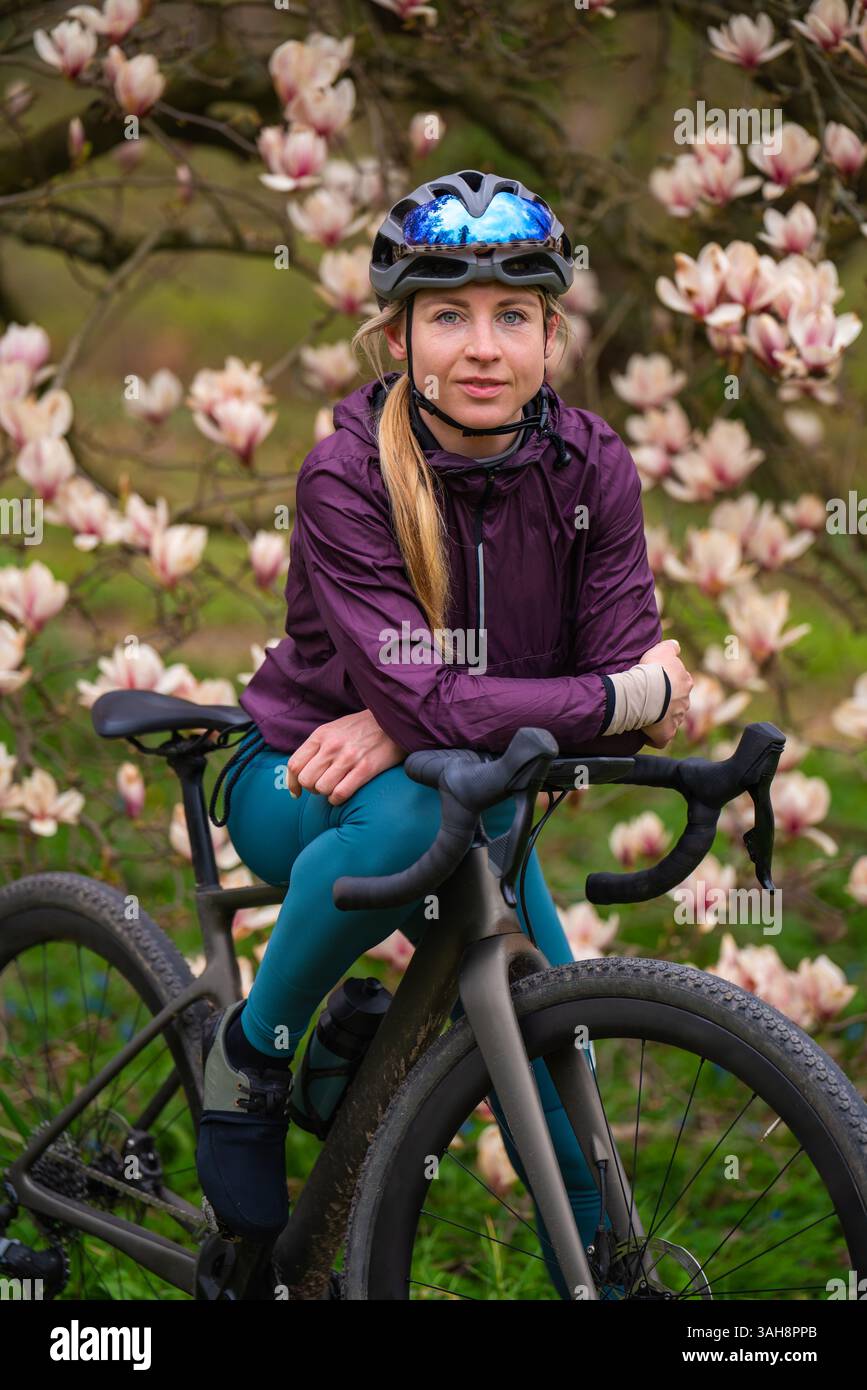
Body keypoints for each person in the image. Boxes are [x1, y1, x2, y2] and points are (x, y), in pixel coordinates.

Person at [195, 170, 693, 1296]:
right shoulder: (345, 475)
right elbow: (610, 695)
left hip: (486, 799)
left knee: (552, 1048)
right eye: (448, 316)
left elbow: (564, 709)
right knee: (420, 794)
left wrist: (436, 712)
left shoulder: (594, 470)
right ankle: (256, 1052)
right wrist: (596, 696)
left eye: (512, 315)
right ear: (396, 334)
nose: (483, 347)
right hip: (301, 778)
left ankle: (615, 1284)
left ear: (553, 336)